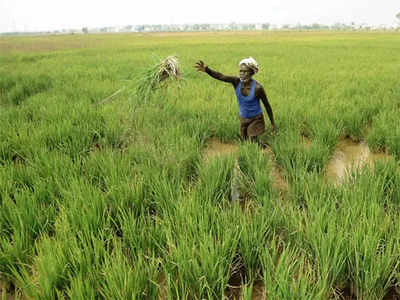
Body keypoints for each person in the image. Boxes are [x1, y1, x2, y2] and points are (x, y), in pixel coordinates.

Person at [194, 57, 275, 143]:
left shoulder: (258, 88)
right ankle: (260, 146)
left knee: (251, 141)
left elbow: (267, 105)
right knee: (244, 141)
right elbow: (221, 76)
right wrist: (207, 69)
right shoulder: (236, 82)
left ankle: (260, 150)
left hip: (256, 119)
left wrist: (273, 124)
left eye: (245, 71)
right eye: (240, 71)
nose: (242, 74)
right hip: (243, 119)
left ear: (251, 72)